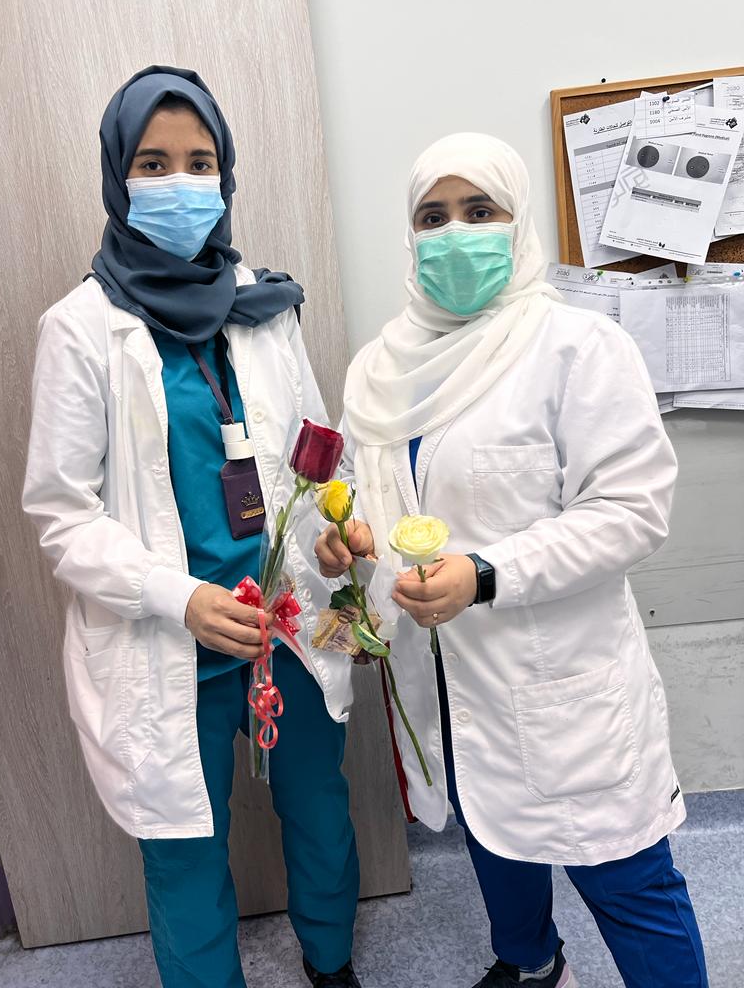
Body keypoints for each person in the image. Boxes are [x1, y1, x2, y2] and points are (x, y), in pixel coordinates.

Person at [316, 133, 708, 988]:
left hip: (561, 677)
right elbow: (362, 489)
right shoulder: (381, 369)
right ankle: (532, 963)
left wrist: (485, 573)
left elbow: (632, 510)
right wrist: (349, 537)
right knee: (493, 835)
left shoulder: (578, 348)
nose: (455, 234)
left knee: (627, 876)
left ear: (516, 221)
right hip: (446, 674)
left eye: (479, 211)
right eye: (433, 217)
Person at [23, 65, 361, 988]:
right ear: (117, 176)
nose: (180, 183)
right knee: (182, 851)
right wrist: (180, 599)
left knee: (320, 808)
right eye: (153, 163)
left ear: (226, 172)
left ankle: (333, 964)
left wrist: (338, 527)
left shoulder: (265, 304)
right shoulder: (80, 329)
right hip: (169, 635)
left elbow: (317, 451)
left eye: (200, 162)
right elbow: (60, 514)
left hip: (287, 624)